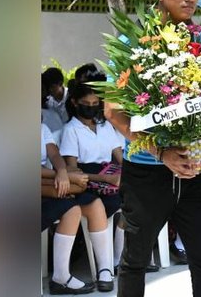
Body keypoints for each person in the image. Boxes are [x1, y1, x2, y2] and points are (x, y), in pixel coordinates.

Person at [104, 0, 201, 297]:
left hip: (195, 171)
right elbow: (113, 111)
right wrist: (161, 152)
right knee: (135, 261)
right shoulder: (134, 41)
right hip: (146, 175)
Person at [59, 82, 125, 288]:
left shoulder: (106, 126)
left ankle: (117, 260)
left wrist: (126, 175)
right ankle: (104, 268)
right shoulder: (71, 130)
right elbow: (72, 171)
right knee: (97, 204)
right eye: (86, 103)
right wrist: (105, 179)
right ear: (74, 103)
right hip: (86, 181)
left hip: (112, 175)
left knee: (133, 199)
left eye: (95, 103)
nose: (91, 106)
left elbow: (119, 157)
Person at [40, 122, 109, 294]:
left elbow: (54, 154)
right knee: (74, 188)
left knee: (84, 206)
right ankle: (60, 277)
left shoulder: (41, 127)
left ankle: (102, 270)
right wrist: (63, 175)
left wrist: (63, 171)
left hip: (46, 179)